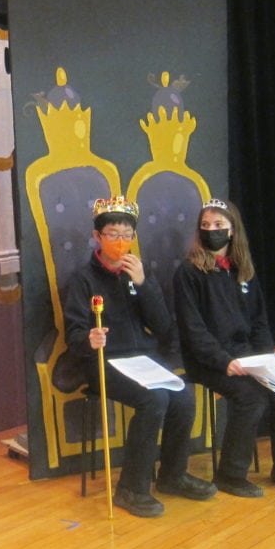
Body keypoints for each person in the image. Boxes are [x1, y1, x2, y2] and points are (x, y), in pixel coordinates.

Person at [64, 195, 216, 518]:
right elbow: (73, 334)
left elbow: (163, 327)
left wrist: (144, 285)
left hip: (143, 359)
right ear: (97, 237)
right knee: (155, 399)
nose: (121, 242)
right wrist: (89, 338)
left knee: (183, 395)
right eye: (113, 235)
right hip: (105, 362)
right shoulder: (83, 280)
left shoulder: (138, 273)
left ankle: (172, 476)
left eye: (126, 235)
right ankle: (131, 488)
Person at [173, 198, 275, 497]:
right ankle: (230, 474)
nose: (211, 230)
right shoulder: (189, 273)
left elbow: (258, 322)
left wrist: (268, 355)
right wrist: (223, 361)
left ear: (232, 230)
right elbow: (193, 331)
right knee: (251, 398)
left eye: (218, 225)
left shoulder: (243, 270)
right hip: (207, 359)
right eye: (205, 226)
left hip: (246, 354)